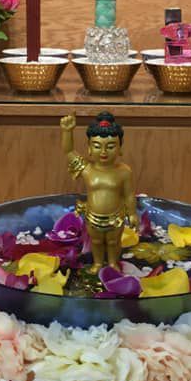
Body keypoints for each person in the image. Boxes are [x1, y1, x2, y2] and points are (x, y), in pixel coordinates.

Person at [61, 112, 136, 271]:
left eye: (110, 146)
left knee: (113, 242)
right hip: (93, 216)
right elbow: (69, 152)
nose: (103, 152)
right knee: (96, 241)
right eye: (97, 146)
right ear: (89, 148)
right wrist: (67, 132)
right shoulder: (87, 169)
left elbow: (129, 195)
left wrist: (132, 213)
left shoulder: (124, 171)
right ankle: (97, 263)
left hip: (116, 217)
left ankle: (113, 263)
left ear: (120, 149)